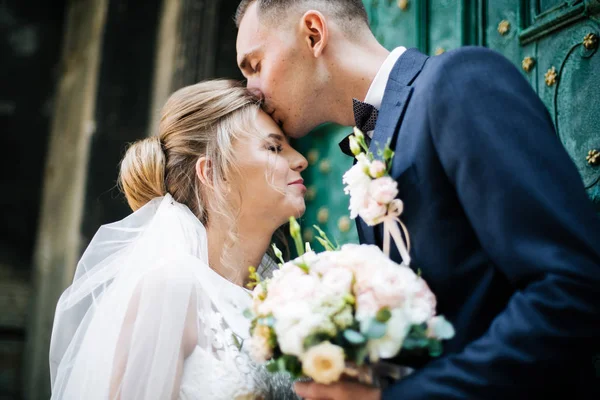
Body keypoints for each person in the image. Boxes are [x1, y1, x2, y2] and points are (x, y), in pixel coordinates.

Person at [235, 1, 600, 399]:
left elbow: (571, 286)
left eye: (254, 65)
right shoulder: (367, 155)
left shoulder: (459, 83)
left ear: (313, 34)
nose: (250, 91)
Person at [49, 79, 307, 399]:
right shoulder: (171, 287)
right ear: (213, 174)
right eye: (273, 147)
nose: (300, 159)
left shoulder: (287, 295)